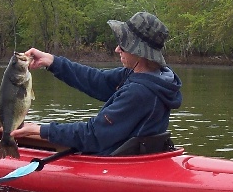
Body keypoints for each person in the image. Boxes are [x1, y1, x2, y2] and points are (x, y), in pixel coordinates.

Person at [11, 11, 183, 155]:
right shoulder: (153, 75)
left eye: (123, 45)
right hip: (132, 154)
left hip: (119, 163)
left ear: (140, 53)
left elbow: (93, 135)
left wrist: (41, 130)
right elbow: (98, 81)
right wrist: (52, 61)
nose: (117, 49)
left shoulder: (140, 92)